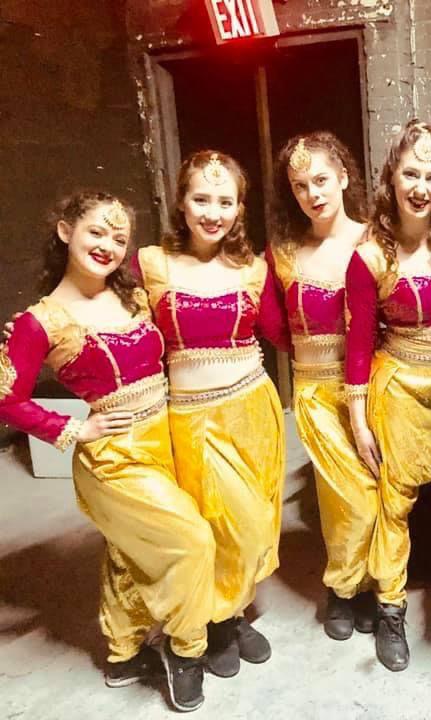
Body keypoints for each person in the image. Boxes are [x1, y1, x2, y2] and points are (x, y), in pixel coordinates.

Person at [0, 192, 215, 712]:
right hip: (112, 455)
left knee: (129, 551)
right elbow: (6, 398)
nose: (107, 246)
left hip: (166, 437)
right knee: (192, 542)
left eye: (119, 238)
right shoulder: (40, 322)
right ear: (65, 231)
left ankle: (123, 654)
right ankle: (185, 649)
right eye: (96, 231)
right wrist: (74, 427)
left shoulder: (134, 297)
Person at [133, 150, 290, 679]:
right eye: (201, 199)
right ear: (180, 202)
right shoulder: (150, 265)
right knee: (217, 525)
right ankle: (220, 620)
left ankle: (234, 610)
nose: (213, 212)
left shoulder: (253, 269)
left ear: (240, 208)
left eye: (226, 201)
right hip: (190, 419)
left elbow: (283, 332)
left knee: (256, 523)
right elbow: (118, 326)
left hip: (252, 410)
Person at [344, 119, 431, 671]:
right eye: (411, 173)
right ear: (391, 177)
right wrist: (358, 419)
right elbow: (357, 342)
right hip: (398, 388)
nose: (421, 187)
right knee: (394, 502)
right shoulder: (370, 255)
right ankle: (390, 607)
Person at [265, 132, 379, 640]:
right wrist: (308, 354)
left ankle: (372, 584)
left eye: (321, 180)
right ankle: (342, 589)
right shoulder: (285, 253)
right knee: (345, 494)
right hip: (314, 390)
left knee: (376, 489)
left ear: (344, 178)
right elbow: (272, 323)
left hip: (374, 387)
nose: (312, 193)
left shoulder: (375, 241)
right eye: (299, 185)